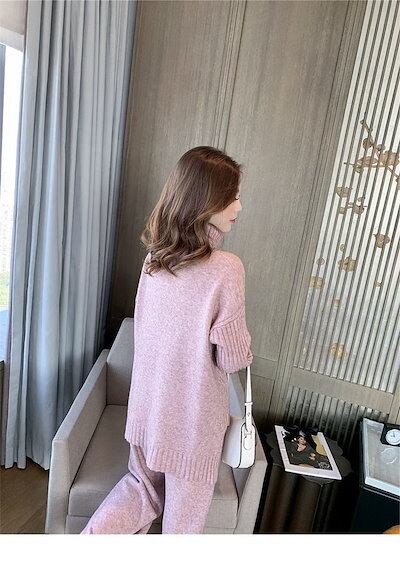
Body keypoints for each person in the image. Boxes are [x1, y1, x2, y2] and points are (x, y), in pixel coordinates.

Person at [81, 146, 253, 534]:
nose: (239, 206)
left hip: (148, 411)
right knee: (181, 529)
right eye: (233, 196)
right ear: (208, 200)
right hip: (191, 424)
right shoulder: (227, 270)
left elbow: (144, 331)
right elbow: (231, 359)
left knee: (141, 491)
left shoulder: (154, 260)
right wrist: (243, 345)